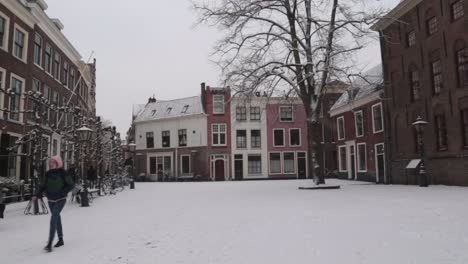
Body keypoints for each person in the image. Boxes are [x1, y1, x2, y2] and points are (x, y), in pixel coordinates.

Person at [33, 156, 74, 252]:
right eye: (50, 162)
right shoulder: (48, 174)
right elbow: (43, 185)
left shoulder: (63, 173)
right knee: (57, 217)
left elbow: (71, 184)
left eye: (53, 162)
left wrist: (63, 192)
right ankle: (60, 239)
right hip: (51, 199)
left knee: (54, 218)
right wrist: (37, 194)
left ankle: (49, 243)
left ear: (58, 163)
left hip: (61, 199)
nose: (50, 164)